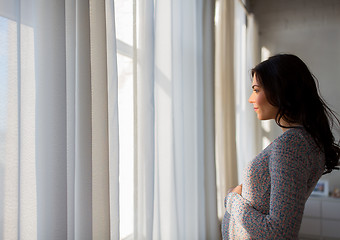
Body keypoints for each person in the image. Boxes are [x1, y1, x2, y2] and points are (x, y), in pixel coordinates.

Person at [222, 54, 340, 239]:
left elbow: (280, 233)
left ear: (279, 90)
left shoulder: (291, 146)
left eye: (256, 90)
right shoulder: (302, 140)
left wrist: (231, 200)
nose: (251, 99)